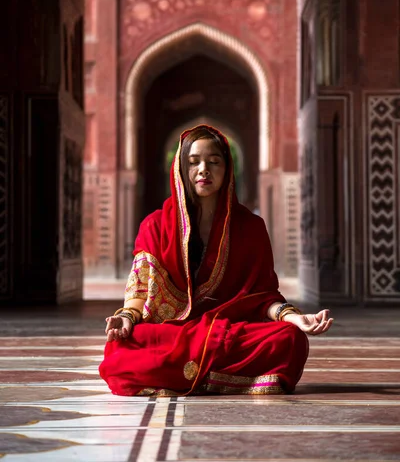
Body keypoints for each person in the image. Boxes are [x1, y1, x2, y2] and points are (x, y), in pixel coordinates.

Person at [99, 125, 333, 396]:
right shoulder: (154, 225)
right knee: (122, 346)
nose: (203, 170)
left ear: (227, 168)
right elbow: (140, 292)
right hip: (174, 332)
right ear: (180, 169)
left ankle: (181, 375)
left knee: (290, 340)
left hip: (227, 333)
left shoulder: (250, 227)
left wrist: (295, 318)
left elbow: (263, 298)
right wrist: (127, 317)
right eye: (193, 162)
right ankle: (216, 375)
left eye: (214, 162)